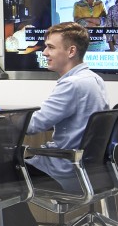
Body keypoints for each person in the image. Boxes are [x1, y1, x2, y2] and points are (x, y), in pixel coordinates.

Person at [26, 21, 111, 189]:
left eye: (50, 47)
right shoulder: (94, 79)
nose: (44, 53)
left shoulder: (72, 84)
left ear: (71, 51)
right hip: (88, 169)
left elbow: (34, 125)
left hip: (62, 170)